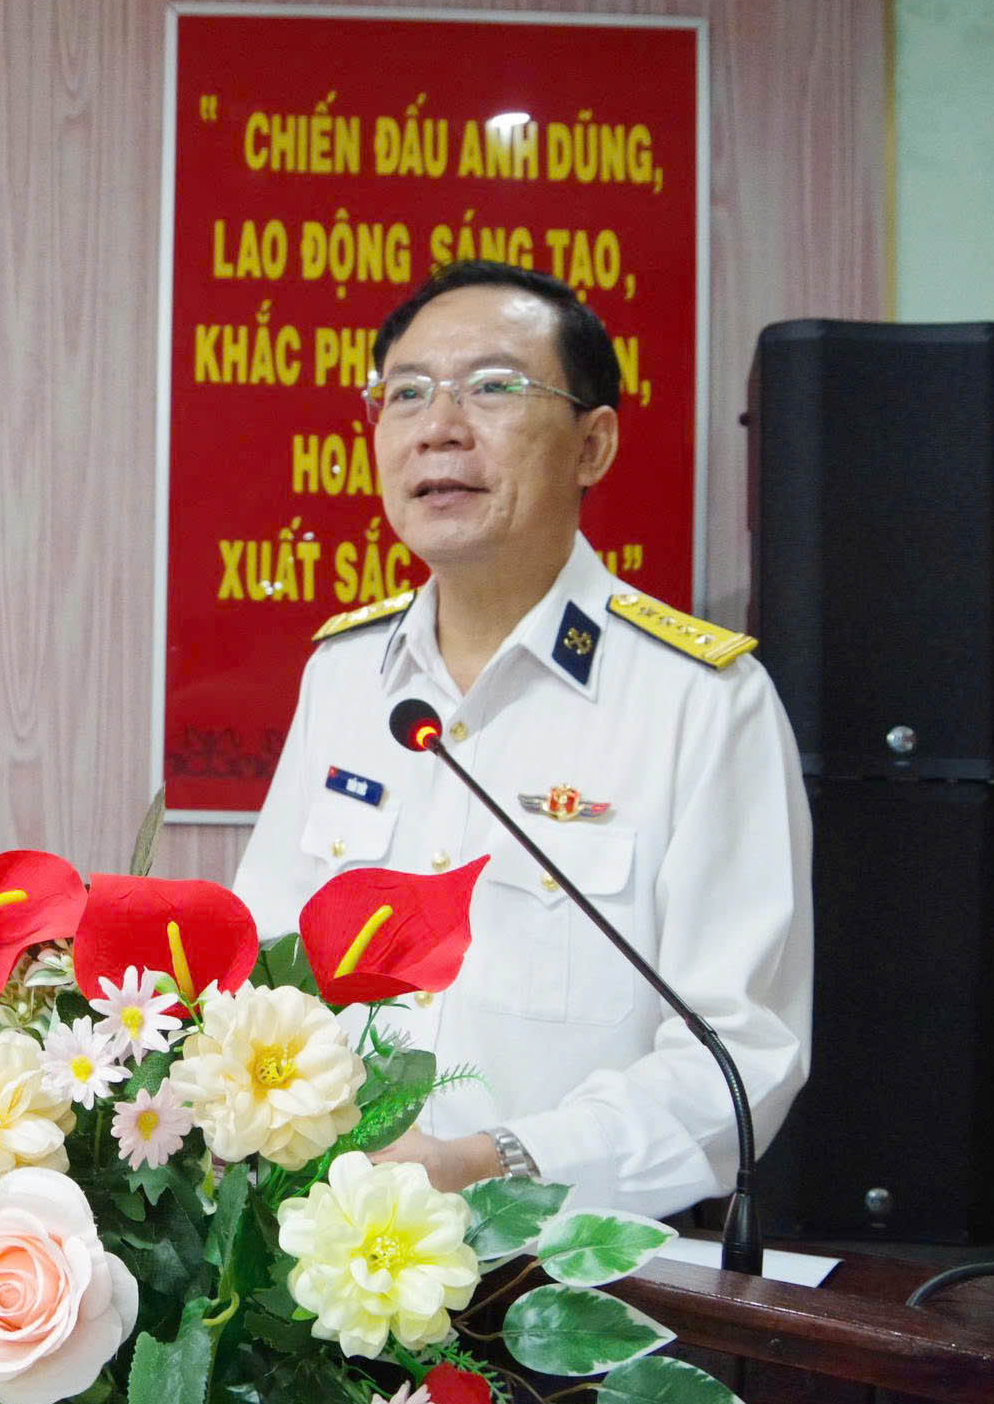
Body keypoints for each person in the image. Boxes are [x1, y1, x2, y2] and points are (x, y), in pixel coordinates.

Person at [231, 261, 811, 1219]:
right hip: (323, 1249)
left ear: (593, 444)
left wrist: (489, 1162)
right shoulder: (344, 675)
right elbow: (264, 960)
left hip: (572, 1265)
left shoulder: (703, 702)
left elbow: (738, 1056)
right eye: (405, 393)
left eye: (493, 387)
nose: (438, 426)